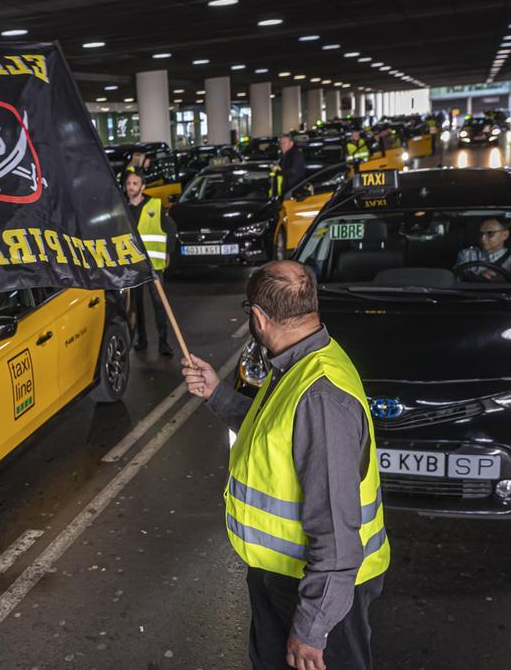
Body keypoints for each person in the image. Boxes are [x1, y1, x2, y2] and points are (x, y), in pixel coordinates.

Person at [182, 260, 389, 670]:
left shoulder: (320, 396)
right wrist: (216, 394)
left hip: (317, 590)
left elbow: (335, 527)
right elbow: (272, 432)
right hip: (285, 576)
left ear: (258, 317)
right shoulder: (299, 363)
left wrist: (313, 626)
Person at [124, 169, 172, 356]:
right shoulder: (123, 209)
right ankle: (141, 340)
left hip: (153, 266)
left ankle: (164, 343)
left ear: (142, 187)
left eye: (135, 184)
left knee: (159, 305)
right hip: (133, 267)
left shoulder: (155, 205)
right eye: (129, 184)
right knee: (137, 307)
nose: (131, 187)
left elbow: (171, 229)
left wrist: (168, 252)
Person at [454, 217, 511, 281]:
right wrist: (478, 277)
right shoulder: (467, 255)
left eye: (490, 233)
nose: (482, 238)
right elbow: (457, 278)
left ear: (505, 235)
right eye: (480, 233)